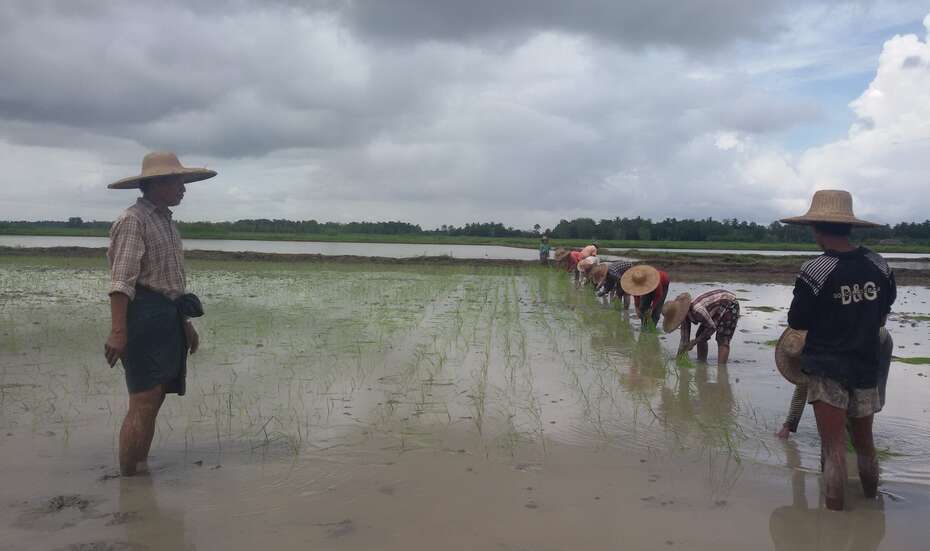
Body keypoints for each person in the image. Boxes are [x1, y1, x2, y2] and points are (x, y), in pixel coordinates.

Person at [780, 189, 895, 511]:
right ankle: (873, 507)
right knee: (865, 445)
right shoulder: (879, 264)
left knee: (833, 449)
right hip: (867, 365)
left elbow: (797, 319)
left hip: (827, 367)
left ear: (816, 228)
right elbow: (884, 310)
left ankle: (833, 520)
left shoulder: (815, 270)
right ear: (850, 226)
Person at [104, 152, 216, 476]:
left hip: (167, 315)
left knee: (155, 399)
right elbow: (121, 281)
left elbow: (171, 285)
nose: (183, 188)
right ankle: (128, 481)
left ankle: (139, 468)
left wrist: (185, 325)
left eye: (183, 182)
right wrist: (118, 331)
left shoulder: (165, 220)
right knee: (144, 398)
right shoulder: (133, 220)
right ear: (156, 184)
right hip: (143, 316)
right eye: (177, 182)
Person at [776, 327, 893, 440]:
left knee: (868, 394)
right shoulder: (810, 350)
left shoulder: (831, 348)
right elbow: (802, 388)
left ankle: (861, 436)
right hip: (852, 338)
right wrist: (788, 425)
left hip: (878, 339)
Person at [662, 289, 740, 365]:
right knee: (700, 336)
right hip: (715, 310)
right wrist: (679, 357)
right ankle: (702, 363)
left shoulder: (697, 310)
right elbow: (684, 340)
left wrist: (695, 342)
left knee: (722, 339)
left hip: (730, 305)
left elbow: (712, 327)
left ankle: (722, 369)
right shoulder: (684, 317)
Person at [620, 265, 670, 329]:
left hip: (663, 284)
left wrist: (652, 308)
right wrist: (637, 308)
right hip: (648, 283)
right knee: (642, 307)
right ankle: (644, 325)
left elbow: (658, 296)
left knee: (656, 311)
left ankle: (652, 328)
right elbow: (636, 295)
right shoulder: (636, 281)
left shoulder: (656, 282)